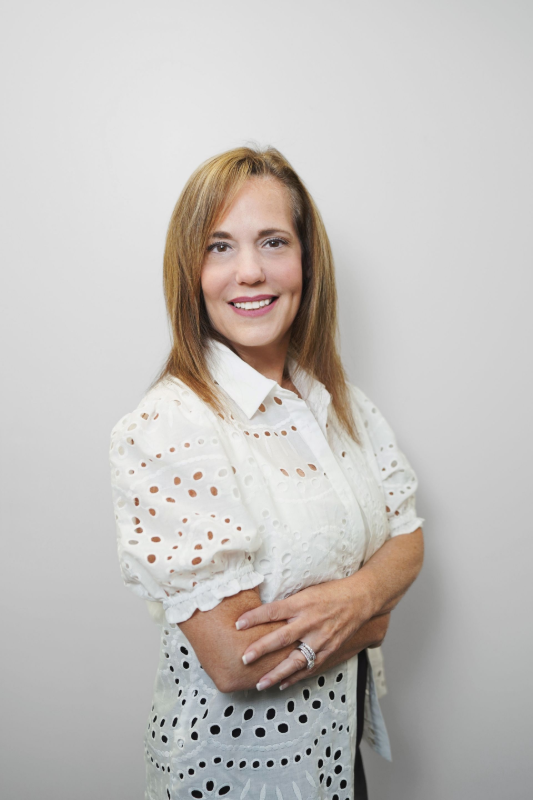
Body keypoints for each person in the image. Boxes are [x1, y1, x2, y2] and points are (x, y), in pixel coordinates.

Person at [109, 146, 424, 800]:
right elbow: (233, 660)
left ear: (306, 262)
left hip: (336, 757)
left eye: (272, 242)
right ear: (190, 270)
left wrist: (359, 599)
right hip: (237, 775)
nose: (248, 272)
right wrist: (374, 613)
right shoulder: (170, 426)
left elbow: (408, 535)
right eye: (219, 247)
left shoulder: (339, 403)